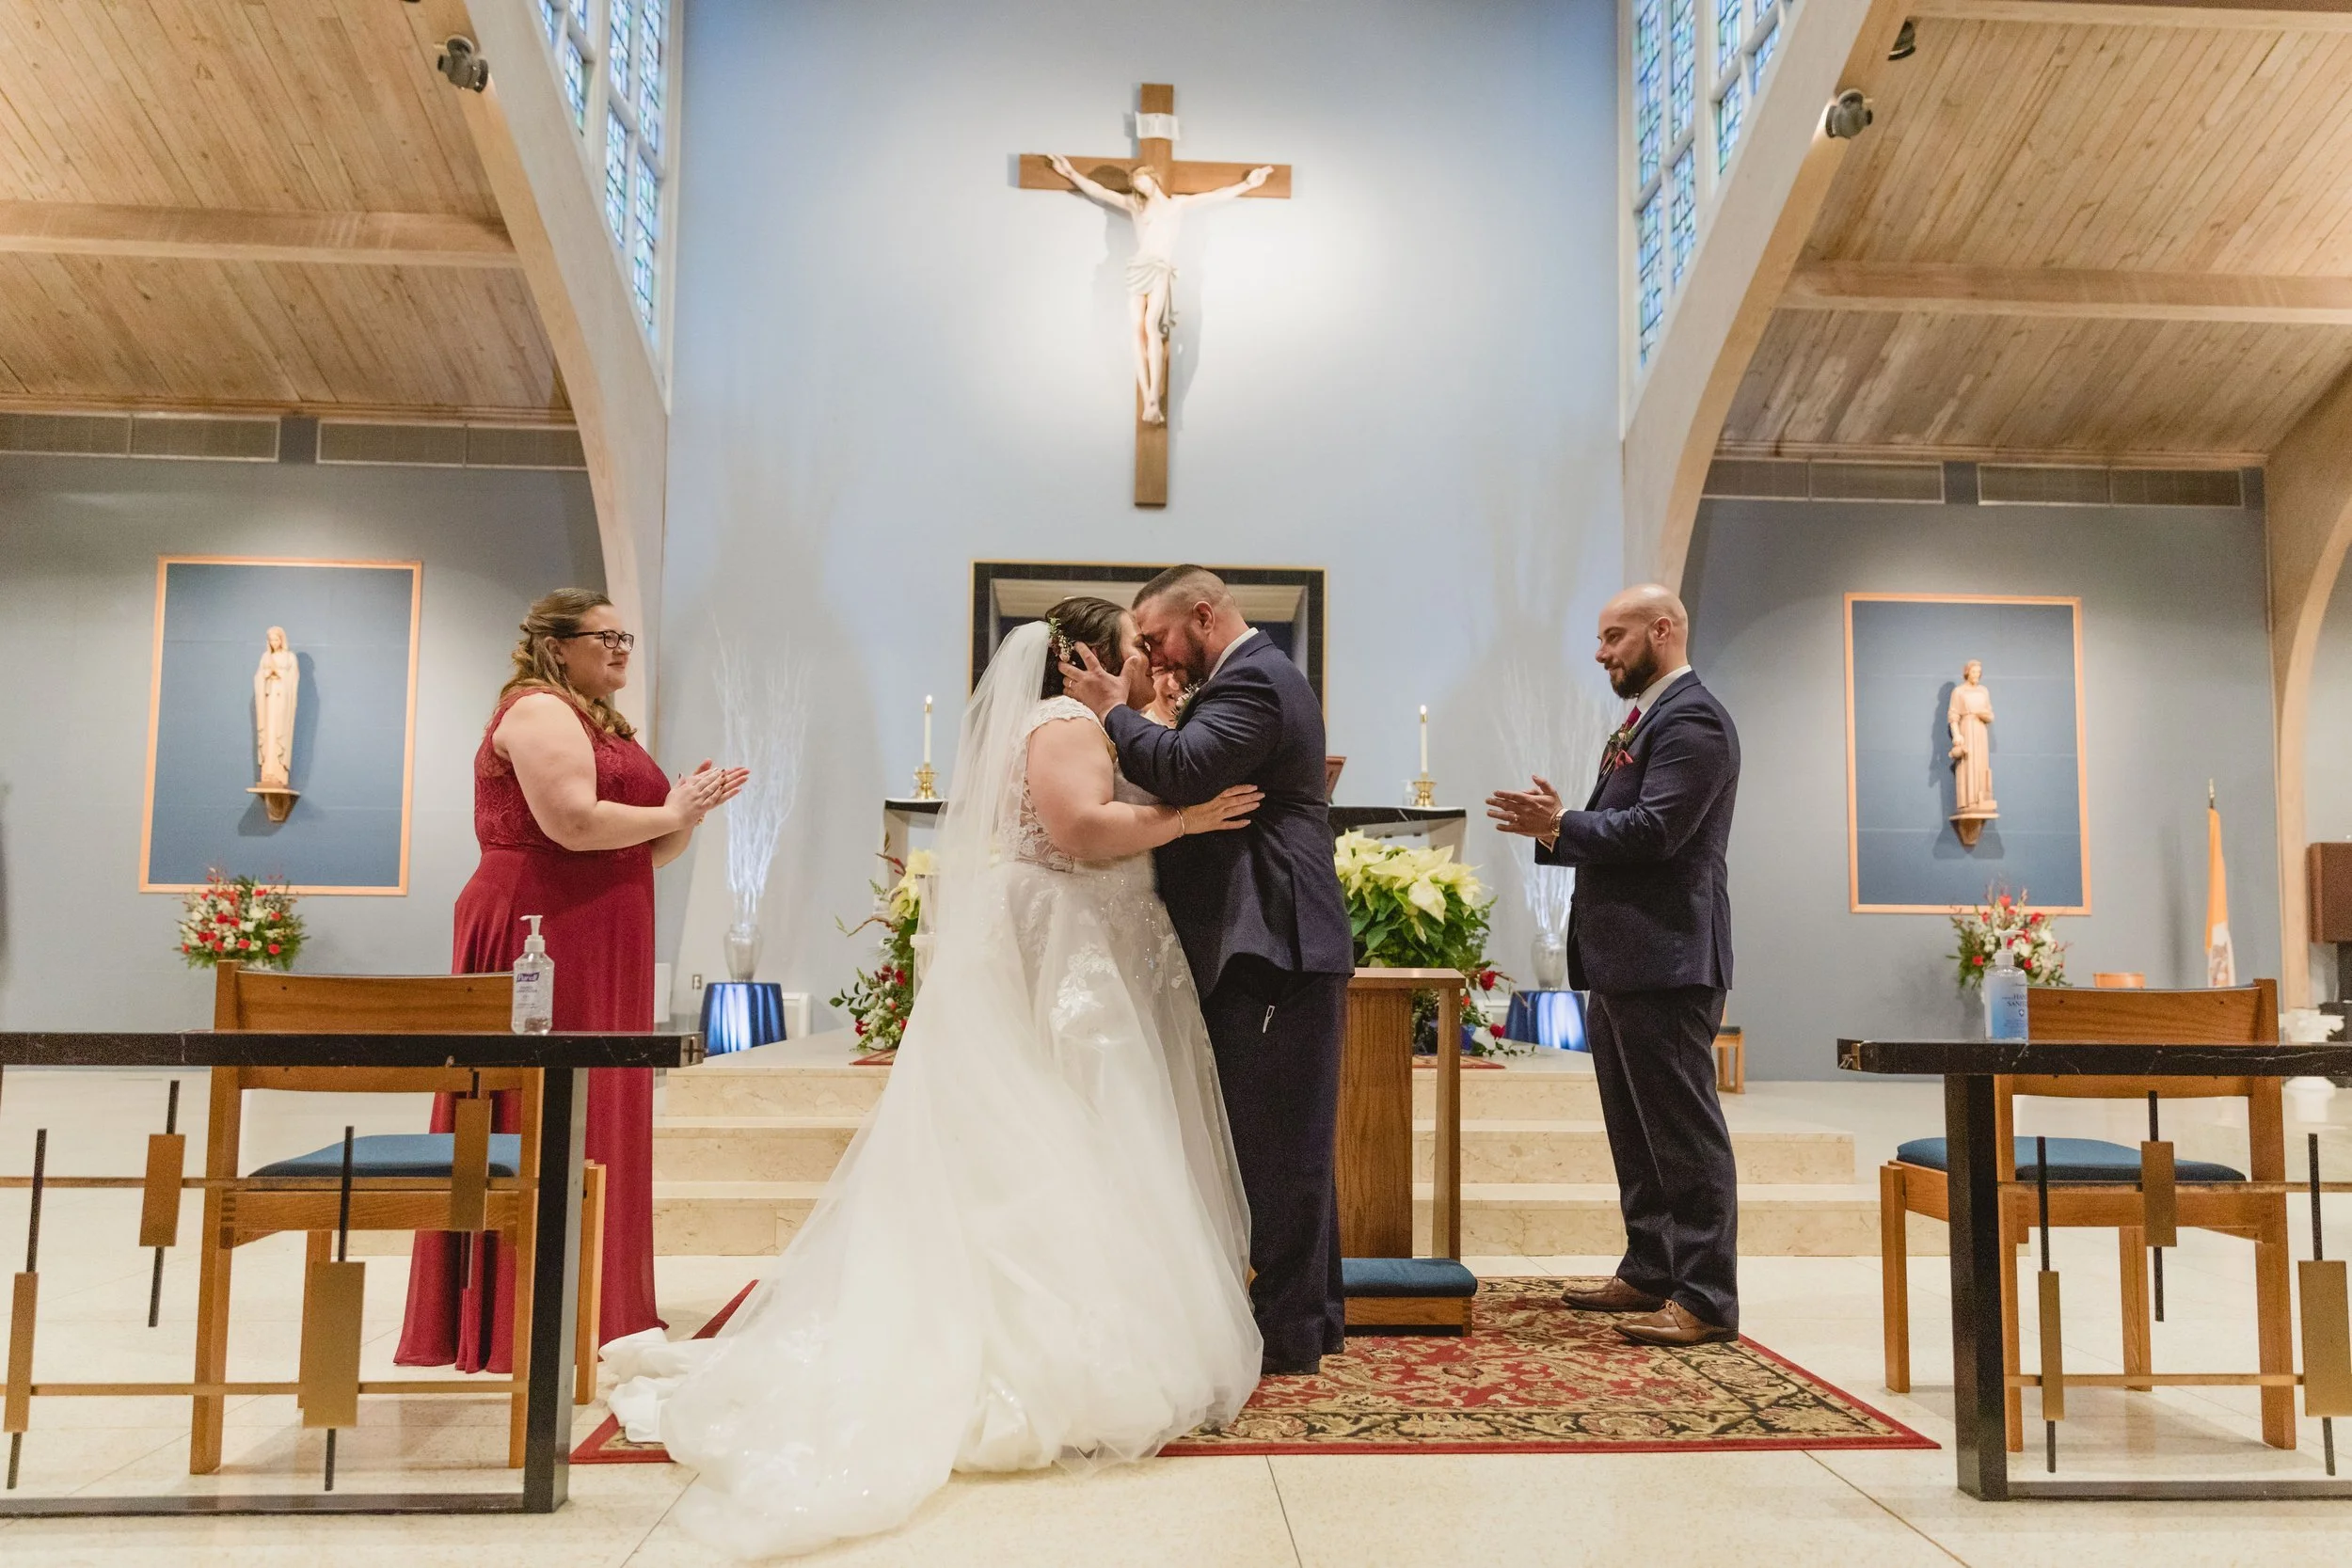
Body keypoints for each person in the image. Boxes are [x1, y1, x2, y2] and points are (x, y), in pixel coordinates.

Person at [603, 600, 1264, 1560]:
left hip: (1098, 934)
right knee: (1070, 1123)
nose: (1142, 661)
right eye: (1131, 647)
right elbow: (1079, 828)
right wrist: (1188, 818)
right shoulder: (1062, 722)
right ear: (1083, 657)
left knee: (1097, 1127)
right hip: (1069, 941)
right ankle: (1054, 1346)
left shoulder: (1095, 722)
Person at [396, 589, 745, 1372]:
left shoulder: (601, 720)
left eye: (626, 636)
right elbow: (573, 823)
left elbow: (644, 849)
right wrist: (671, 810)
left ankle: (603, 1302)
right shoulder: (538, 710)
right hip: (542, 923)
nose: (621, 648)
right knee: (545, 1101)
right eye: (605, 636)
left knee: (606, 1099)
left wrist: (686, 814)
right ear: (556, 644)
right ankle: (522, 1311)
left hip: (604, 924)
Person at [1059, 565, 1355, 1374]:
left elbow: (1186, 768)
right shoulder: (1247, 677)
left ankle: (1288, 1332)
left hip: (1275, 942)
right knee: (1287, 1140)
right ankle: (1312, 1317)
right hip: (1270, 941)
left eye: (1157, 637)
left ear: (1202, 614)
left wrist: (1110, 709)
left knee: (1276, 1147)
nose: (1154, 655)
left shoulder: (1254, 678)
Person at [1485, 583, 1742, 1348]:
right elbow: (1625, 823)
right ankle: (1651, 1265)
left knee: (1683, 1131)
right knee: (1636, 1129)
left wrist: (1561, 823)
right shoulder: (1649, 717)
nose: (1600, 653)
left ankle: (1706, 1295)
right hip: (1627, 959)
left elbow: (1657, 830)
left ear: (1662, 630)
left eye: (1613, 637)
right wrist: (1560, 825)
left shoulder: (1693, 719)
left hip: (1668, 957)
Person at [1043, 157, 1273, 424]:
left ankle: (1154, 393)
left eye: (1143, 180)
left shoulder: (1177, 204)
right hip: (1137, 268)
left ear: (1153, 178)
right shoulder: (1135, 205)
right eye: (1137, 184)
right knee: (1136, 329)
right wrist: (1071, 174)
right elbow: (1101, 192)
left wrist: (1247, 185)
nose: (1140, 186)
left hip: (1159, 268)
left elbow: (1215, 196)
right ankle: (1148, 398)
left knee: (1151, 325)